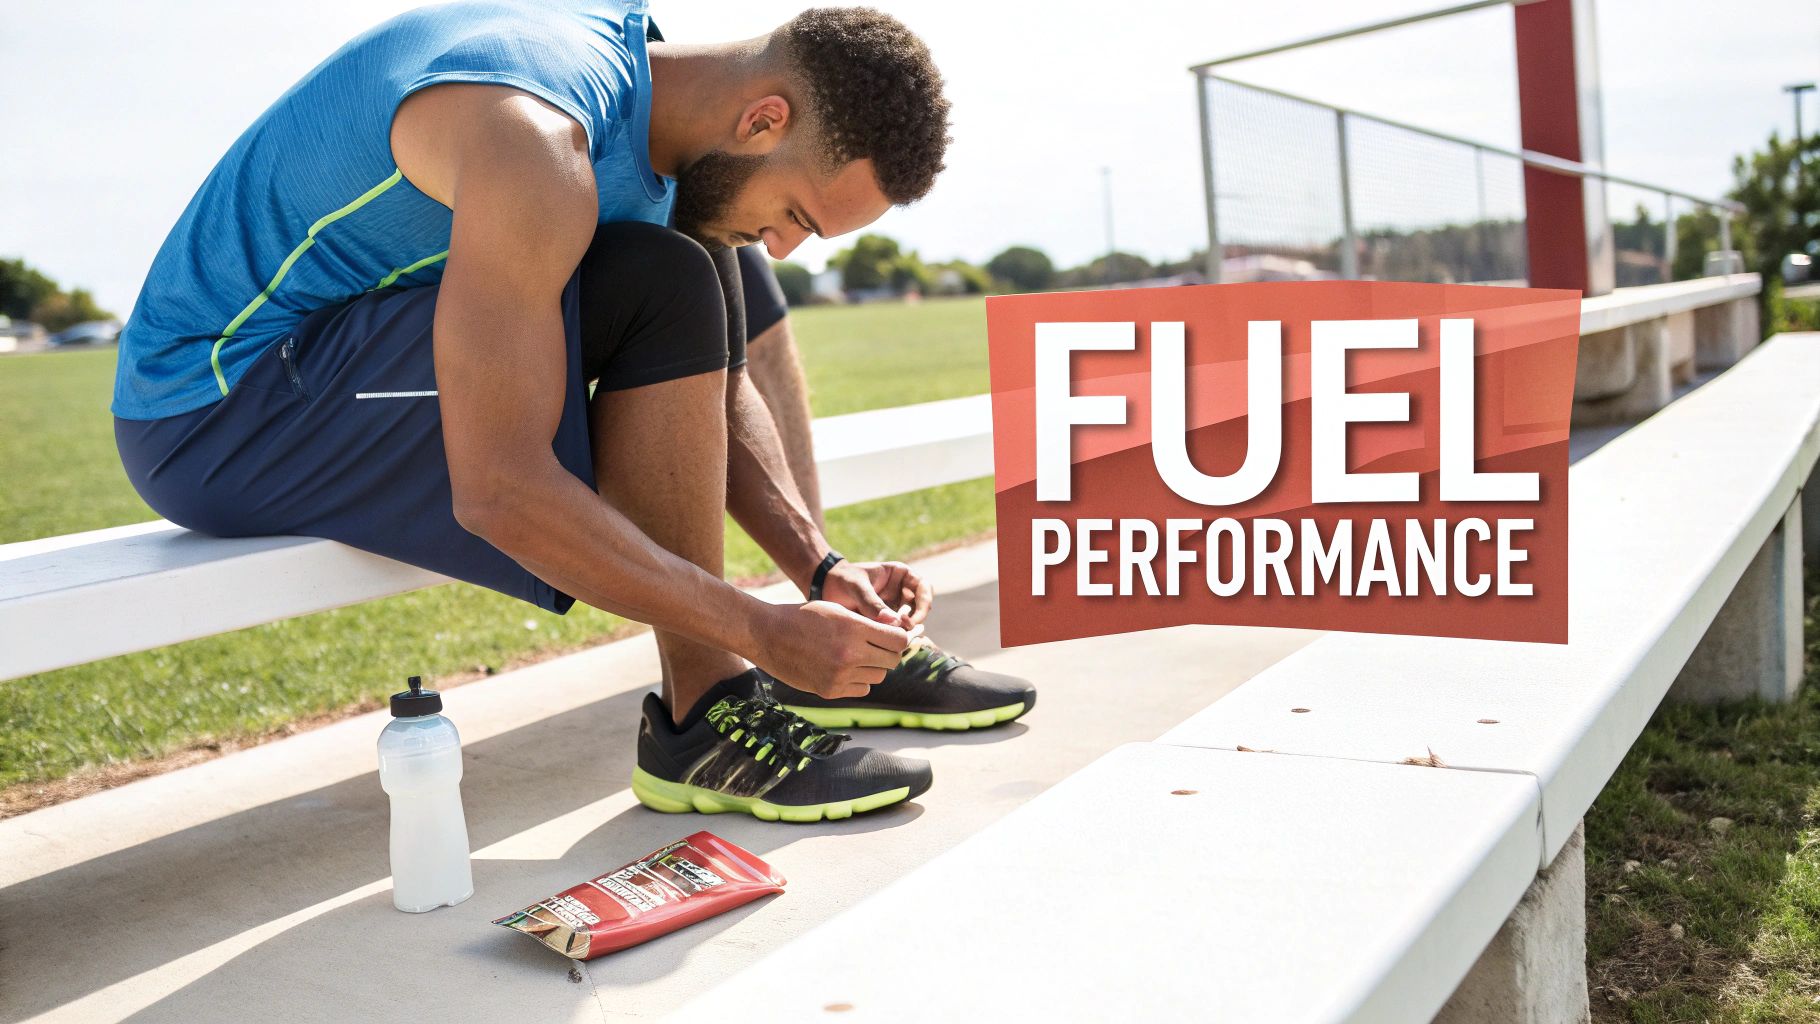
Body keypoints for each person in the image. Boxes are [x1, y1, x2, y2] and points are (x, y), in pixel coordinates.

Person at [111, 0, 1031, 825]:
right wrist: (760, 633)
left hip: (324, 362)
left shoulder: (646, 90)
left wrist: (818, 572)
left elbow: (698, 365)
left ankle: (713, 710)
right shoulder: (538, 141)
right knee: (674, 269)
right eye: (797, 213)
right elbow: (501, 490)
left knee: (696, 264)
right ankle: (707, 719)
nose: (787, 248)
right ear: (764, 116)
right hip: (217, 407)